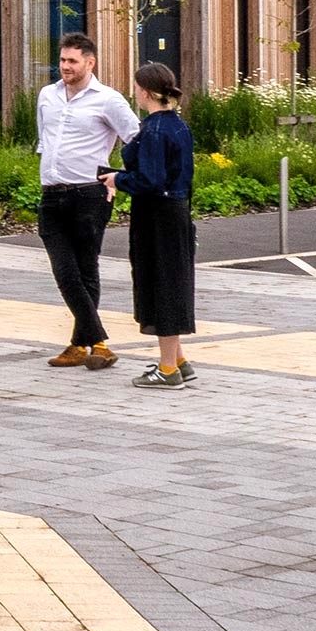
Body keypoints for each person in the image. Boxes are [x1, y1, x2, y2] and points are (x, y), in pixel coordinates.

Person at [35, 32, 137, 368]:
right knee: (65, 271)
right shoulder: (47, 95)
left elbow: (136, 139)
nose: (64, 66)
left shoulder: (109, 99)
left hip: (89, 195)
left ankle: (81, 347)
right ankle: (98, 342)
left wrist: (120, 178)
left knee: (85, 269)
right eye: (62, 60)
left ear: (89, 63)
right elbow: (44, 140)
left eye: (72, 61)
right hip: (51, 194)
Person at [111, 61, 199, 389]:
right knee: (173, 283)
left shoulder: (153, 129)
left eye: (136, 87)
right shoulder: (178, 125)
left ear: (145, 91)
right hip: (176, 212)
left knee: (161, 286)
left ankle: (167, 369)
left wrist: (118, 179)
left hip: (156, 216)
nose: (134, 92)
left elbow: (150, 179)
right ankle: (178, 360)